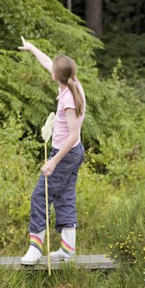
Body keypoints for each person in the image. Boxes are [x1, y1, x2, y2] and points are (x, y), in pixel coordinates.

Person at [18, 37, 86, 265]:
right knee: (65, 197)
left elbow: (74, 136)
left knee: (40, 196)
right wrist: (32, 48)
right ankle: (68, 249)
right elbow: (49, 62)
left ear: (55, 77)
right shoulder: (72, 83)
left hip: (66, 154)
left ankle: (35, 249)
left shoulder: (69, 98)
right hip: (70, 154)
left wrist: (54, 161)